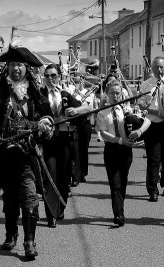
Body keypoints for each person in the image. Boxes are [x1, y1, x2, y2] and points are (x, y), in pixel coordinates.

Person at [0, 44, 53, 260]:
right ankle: (11, 234)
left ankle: (29, 241)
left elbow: (47, 115)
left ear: (26, 67)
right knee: (9, 198)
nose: (15, 68)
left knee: (29, 196)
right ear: (7, 67)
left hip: (28, 153)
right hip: (4, 153)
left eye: (19, 64)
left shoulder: (38, 91)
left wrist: (45, 124)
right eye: (11, 64)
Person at [40, 64, 91, 228]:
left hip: (65, 139)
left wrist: (76, 111)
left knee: (63, 177)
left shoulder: (65, 94)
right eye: (47, 76)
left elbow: (88, 108)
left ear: (59, 77)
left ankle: (60, 206)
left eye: (53, 75)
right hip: (48, 140)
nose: (50, 79)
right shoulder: (39, 95)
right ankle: (51, 213)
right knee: (50, 176)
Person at [97, 81, 151, 227]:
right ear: (106, 95)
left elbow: (147, 122)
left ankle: (120, 209)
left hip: (126, 151)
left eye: (117, 93)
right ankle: (118, 214)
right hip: (112, 149)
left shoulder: (127, 110)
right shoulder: (102, 112)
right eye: (112, 93)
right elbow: (103, 133)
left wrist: (139, 131)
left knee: (123, 182)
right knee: (115, 183)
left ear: (122, 94)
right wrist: (120, 140)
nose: (115, 96)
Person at [139, 56, 164, 202]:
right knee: (153, 158)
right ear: (152, 68)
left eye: (162, 67)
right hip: (152, 124)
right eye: (156, 67)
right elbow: (141, 104)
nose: (159, 70)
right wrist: (155, 111)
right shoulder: (146, 84)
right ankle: (152, 189)